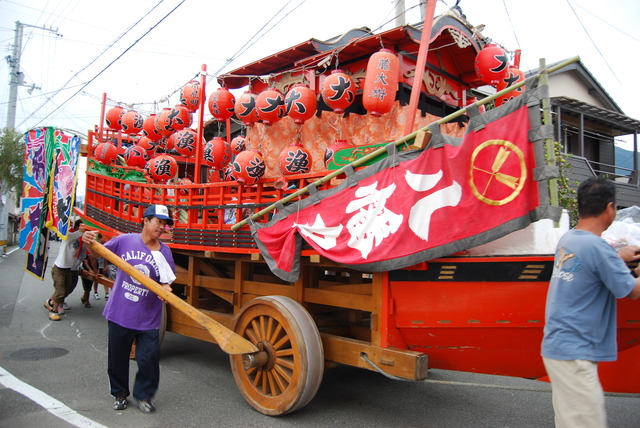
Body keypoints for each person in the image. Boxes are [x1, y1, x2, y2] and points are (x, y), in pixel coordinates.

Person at [541, 177, 640, 427]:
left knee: (568, 421)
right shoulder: (598, 249)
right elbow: (632, 291)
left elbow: (589, 264)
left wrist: (616, 256)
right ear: (610, 208)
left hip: (558, 346)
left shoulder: (569, 239)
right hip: (576, 350)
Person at [82, 204, 176, 414]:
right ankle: (119, 394)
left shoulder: (164, 252)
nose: (161, 227)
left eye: (165, 224)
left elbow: (167, 281)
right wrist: (90, 243)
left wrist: (166, 290)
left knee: (148, 360)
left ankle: (144, 396)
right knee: (117, 357)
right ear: (146, 220)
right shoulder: (125, 241)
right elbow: (99, 254)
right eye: (158, 222)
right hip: (120, 312)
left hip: (149, 317)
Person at [45, 219, 84, 321]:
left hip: (69, 268)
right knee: (61, 291)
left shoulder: (81, 239)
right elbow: (75, 234)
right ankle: (53, 311)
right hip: (59, 268)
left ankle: (50, 301)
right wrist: (81, 230)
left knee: (66, 290)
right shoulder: (68, 236)